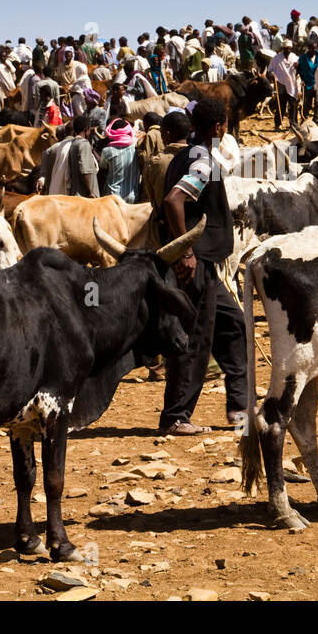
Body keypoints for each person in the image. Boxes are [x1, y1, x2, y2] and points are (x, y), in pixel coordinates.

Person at [159, 98, 249, 435]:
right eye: (225, 124)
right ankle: (175, 416)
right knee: (196, 338)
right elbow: (174, 201)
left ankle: (240, 408)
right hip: (196, 264)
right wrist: (185, 252)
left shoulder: (184, 153)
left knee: (235, 325)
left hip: (205, 265)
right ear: (220, 127)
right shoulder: (201, 160)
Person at [99, 117, 140, 202]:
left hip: (112, 198)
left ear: (112, 133)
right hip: (133, 196)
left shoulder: (107, 151)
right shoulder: (137, 146)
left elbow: (102, 171)